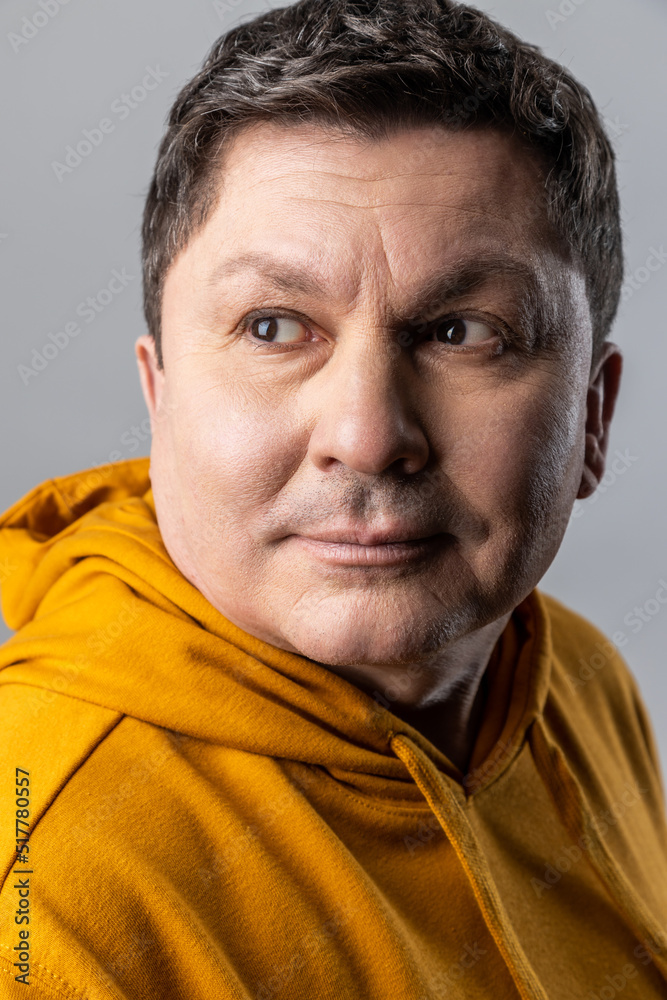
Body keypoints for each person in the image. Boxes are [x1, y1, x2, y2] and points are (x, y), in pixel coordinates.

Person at [1, 1, 666, 997]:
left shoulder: (576, 675)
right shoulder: (44, 877)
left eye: (462, 332)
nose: (366, 435)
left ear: (593, 417)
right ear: (159, 395)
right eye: (273, 326)